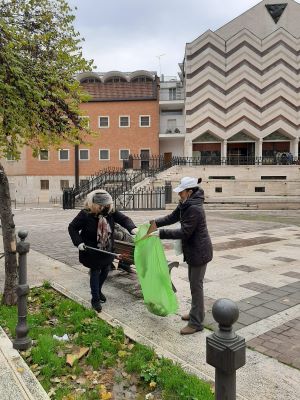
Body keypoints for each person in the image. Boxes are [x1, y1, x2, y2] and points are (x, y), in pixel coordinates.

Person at [147, 177, 213, 335]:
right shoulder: (186, 204)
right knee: (194, 284)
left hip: (199, 252)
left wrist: (161, 233)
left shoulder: (195, 209)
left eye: (181, 192)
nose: (179, 195)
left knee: (196, 286)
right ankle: (195, 314)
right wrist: (155, 223)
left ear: (189, 192)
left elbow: (185, 232)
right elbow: (172, 217)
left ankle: (196, 323)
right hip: (193, 251)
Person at [68, 189, 137, 312]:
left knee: (105, 271)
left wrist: (132, 229)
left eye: (106, 205)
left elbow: (124, 219)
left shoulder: (110, 212)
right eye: (101, 205)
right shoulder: (85, 214)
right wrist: (79, 243)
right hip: (91, 250)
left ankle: (98, 290)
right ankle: (95, 299)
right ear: (93, 204)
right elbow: (72, 227)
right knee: (95, 272)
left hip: (106, 249)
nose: (104, 207)